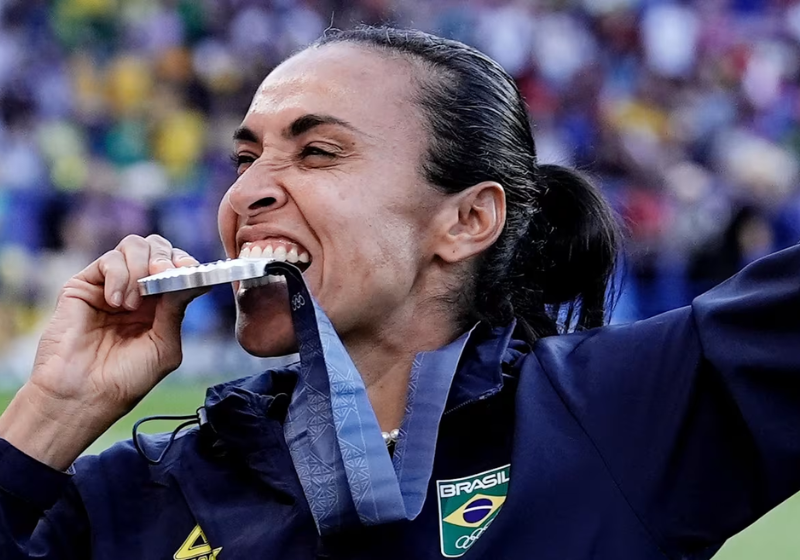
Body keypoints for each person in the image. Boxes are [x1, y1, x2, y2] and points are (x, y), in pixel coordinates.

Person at [1, 26, 799, 560]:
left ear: (466, 220)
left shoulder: (618, 412)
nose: (246, 194)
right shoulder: (140, 495)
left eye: (315, 152)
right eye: (245, 158)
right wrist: (54, 412)